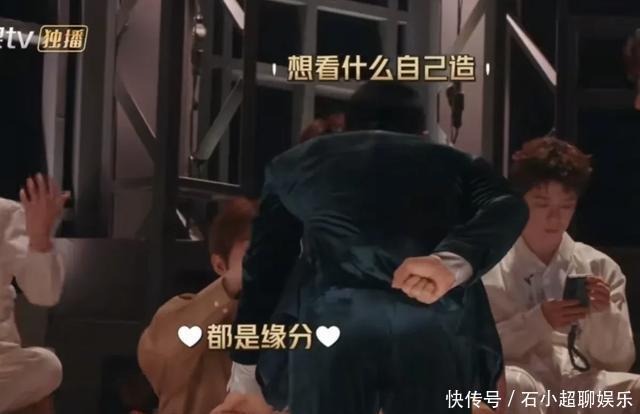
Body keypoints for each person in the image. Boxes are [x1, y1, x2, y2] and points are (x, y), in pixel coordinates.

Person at [214, 81, 528, 414]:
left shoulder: (294, 165)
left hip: (332, 330)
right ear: (422, 133)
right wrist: (452, 261)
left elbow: (266, 270)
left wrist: (246, 373)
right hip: (432, 331)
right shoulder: (458, 164)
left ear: (346, 128)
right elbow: (509, 206)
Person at [482, 137, 640, 414]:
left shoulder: (599, 266)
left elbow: (619, 362)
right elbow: (478, 352)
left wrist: (604, 314)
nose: (555, 218)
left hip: (580, 388)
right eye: (542, 204)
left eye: (566, 206)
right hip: (523, 385)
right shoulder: (490, 266)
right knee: (511, 386)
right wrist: (538, 320)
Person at [137, 197, 258, 414]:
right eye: (255, 251)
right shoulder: (183, 315)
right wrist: (230, 285)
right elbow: (158, 356)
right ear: (220, 265)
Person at [0, 174, 69, 414]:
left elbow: (45, 295)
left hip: (3, 362)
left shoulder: (6, 215)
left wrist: (39, 239)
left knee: (48, 366)